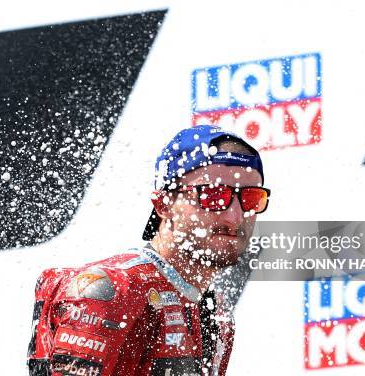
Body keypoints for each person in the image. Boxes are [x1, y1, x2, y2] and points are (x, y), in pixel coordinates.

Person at [27, 125, 270, 376]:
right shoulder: (112, 289)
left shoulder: (215, 312)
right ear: (163, 204)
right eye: (213, 195)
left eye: (251, 199)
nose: (235, 216)